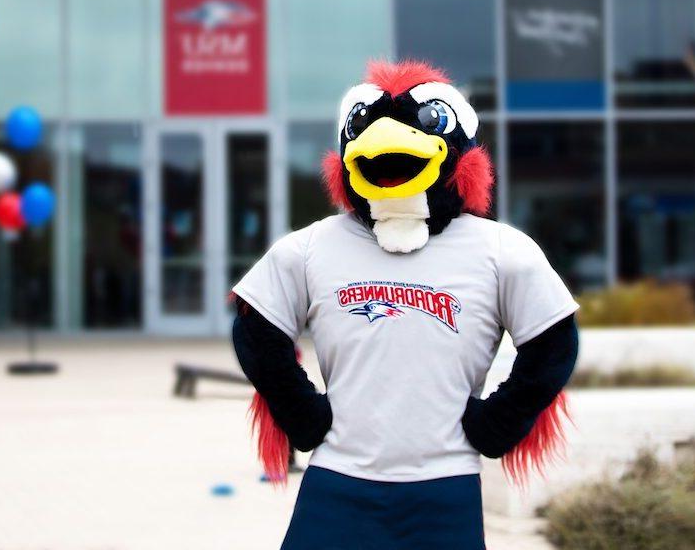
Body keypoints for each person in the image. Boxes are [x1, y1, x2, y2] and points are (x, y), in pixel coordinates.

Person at [232, 60, 579, 549]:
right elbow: (255, 327)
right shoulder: (312, 247)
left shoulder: (501, 250)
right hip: (338, 479)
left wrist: (498, 422)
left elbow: (553, 341)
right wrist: (302, 413)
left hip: (446, 484)